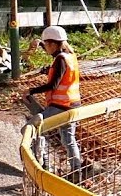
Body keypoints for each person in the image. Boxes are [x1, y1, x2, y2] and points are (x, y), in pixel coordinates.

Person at [27, 25, 83, 177]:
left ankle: (43, 165)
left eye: (46, 45)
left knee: (33, 129)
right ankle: (77, 170)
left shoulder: (60, 60)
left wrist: (31, 91)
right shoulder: (70, 56)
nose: (45, 48)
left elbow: (53, 85)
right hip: (73, 105)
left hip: (60, 106)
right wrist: (40, 44)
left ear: (52, 44)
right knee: (68, 139)